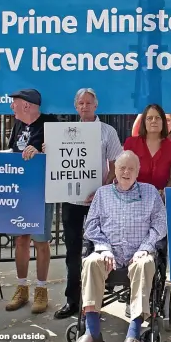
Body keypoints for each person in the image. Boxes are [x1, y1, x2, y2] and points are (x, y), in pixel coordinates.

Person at [71, 151, 166, 342]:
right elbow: (92, 226)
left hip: (138, 253)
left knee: (145, 263)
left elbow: (160, 224)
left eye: (131, 168)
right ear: (115, 169)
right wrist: (103, 249)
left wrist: (145, 247)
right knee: (91, 262)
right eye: (122, 167)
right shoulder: (103, 194)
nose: (126, 172)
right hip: (109, 255)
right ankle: (92, 332)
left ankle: (133, 334)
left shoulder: (150, 193)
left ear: (138, 171)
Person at [54, 88, 123, 320]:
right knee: (72, 251)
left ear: (96, 105)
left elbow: (115, 164)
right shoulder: (65, 132)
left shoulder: (108, 132)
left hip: (99, 200)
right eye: (81, 103)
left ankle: (97, 299)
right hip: (72, 200)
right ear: (76, 107)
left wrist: (103, 188)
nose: (85, 106)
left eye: (89, 103)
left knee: (100, 249)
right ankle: (72, 300)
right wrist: (50, 149)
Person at [4, 88, 57, 314]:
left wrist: (43, 151)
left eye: (14, 103)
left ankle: (42, 289)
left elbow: (60, 154)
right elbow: (13, 150)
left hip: (41, 190)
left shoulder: (50, 123)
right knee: (20, 240)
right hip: (19, 190)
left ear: (26, 105)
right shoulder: (17, 125)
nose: (11, 107)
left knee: (41, 240)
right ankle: (22, 287)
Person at [124, 104, 171, 198]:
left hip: (160, 201)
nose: (154, 121)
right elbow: (123, 172)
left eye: (158, 118)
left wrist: (164, 192)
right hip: (133, 199)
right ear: (144, 122)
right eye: (150, 118)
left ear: (163, 122)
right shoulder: (131, 143)